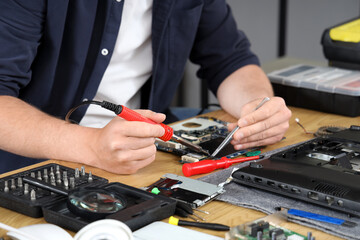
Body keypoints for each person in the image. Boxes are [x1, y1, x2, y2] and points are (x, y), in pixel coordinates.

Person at [0, 0, 291, 174]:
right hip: (35, 158)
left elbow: (230, 59)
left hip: (146, 155)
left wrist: (259, 106)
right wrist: (91, 145)